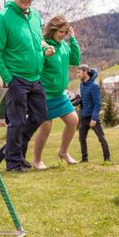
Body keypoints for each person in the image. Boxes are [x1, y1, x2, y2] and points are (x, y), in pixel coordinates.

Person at [0, 0, 54, 173]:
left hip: (35, 77)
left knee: (40, 114)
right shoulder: (3, 17)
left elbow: (37, 40)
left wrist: (45, 48)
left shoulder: (35, 17)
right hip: (16, 78)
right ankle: (14, 163)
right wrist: (8, 78)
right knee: (16, 122)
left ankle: (12, 153)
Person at [31, 16, 81, 169]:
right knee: (45, 127)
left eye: (65, 32)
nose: (62, 35)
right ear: (52, 30)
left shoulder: (64, 46)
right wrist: (44, 53)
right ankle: (37, 160)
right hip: (45, 95)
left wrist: (73, 40)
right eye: (60, 31)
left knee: (73, 120)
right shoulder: (44, 46)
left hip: (60, 95)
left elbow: (75, 60)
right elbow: (37, 66)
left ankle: (63, 152)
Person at [77, 64, 111, 163]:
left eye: (79, 72)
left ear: (85, 72)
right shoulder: (82, 84)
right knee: (81, 139)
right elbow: (85, 100)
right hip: (83, 116)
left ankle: (107, 159)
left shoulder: (95, 86)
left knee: (102, 139)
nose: (77, 75)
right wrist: (79, 101)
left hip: (92, 117)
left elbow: (97, 104)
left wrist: (94, 119)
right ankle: (84, 159)